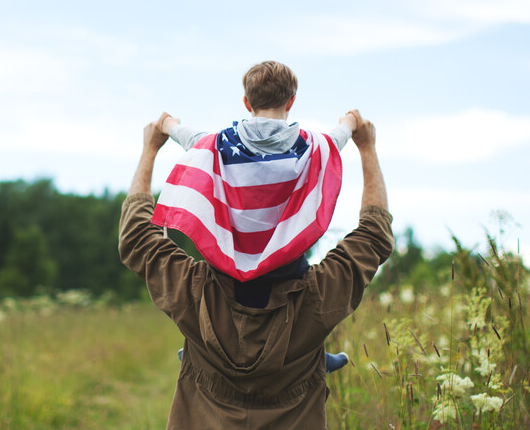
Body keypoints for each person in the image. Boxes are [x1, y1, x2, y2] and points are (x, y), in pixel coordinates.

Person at [118, 109, 393, 428]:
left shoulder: (194, 290)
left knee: (201, 345)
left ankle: (203, 357)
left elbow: (137, 237)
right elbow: (374, 236)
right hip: (298, 351)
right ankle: (312, 360)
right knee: (307, 343)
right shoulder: (318, 296)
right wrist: (367, 148)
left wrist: (149, 149)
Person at [157, 61, 355, 373]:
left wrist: (168, 125)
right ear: (291, 102)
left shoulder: (221, 143)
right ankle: (316, 351)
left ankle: (195, 345)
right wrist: (349, 123)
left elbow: (190, 139)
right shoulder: (309, 145)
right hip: (285, 262)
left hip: (229, 258)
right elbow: (337, 140)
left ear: (247, 103)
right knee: (304, 297)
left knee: (210, 293)